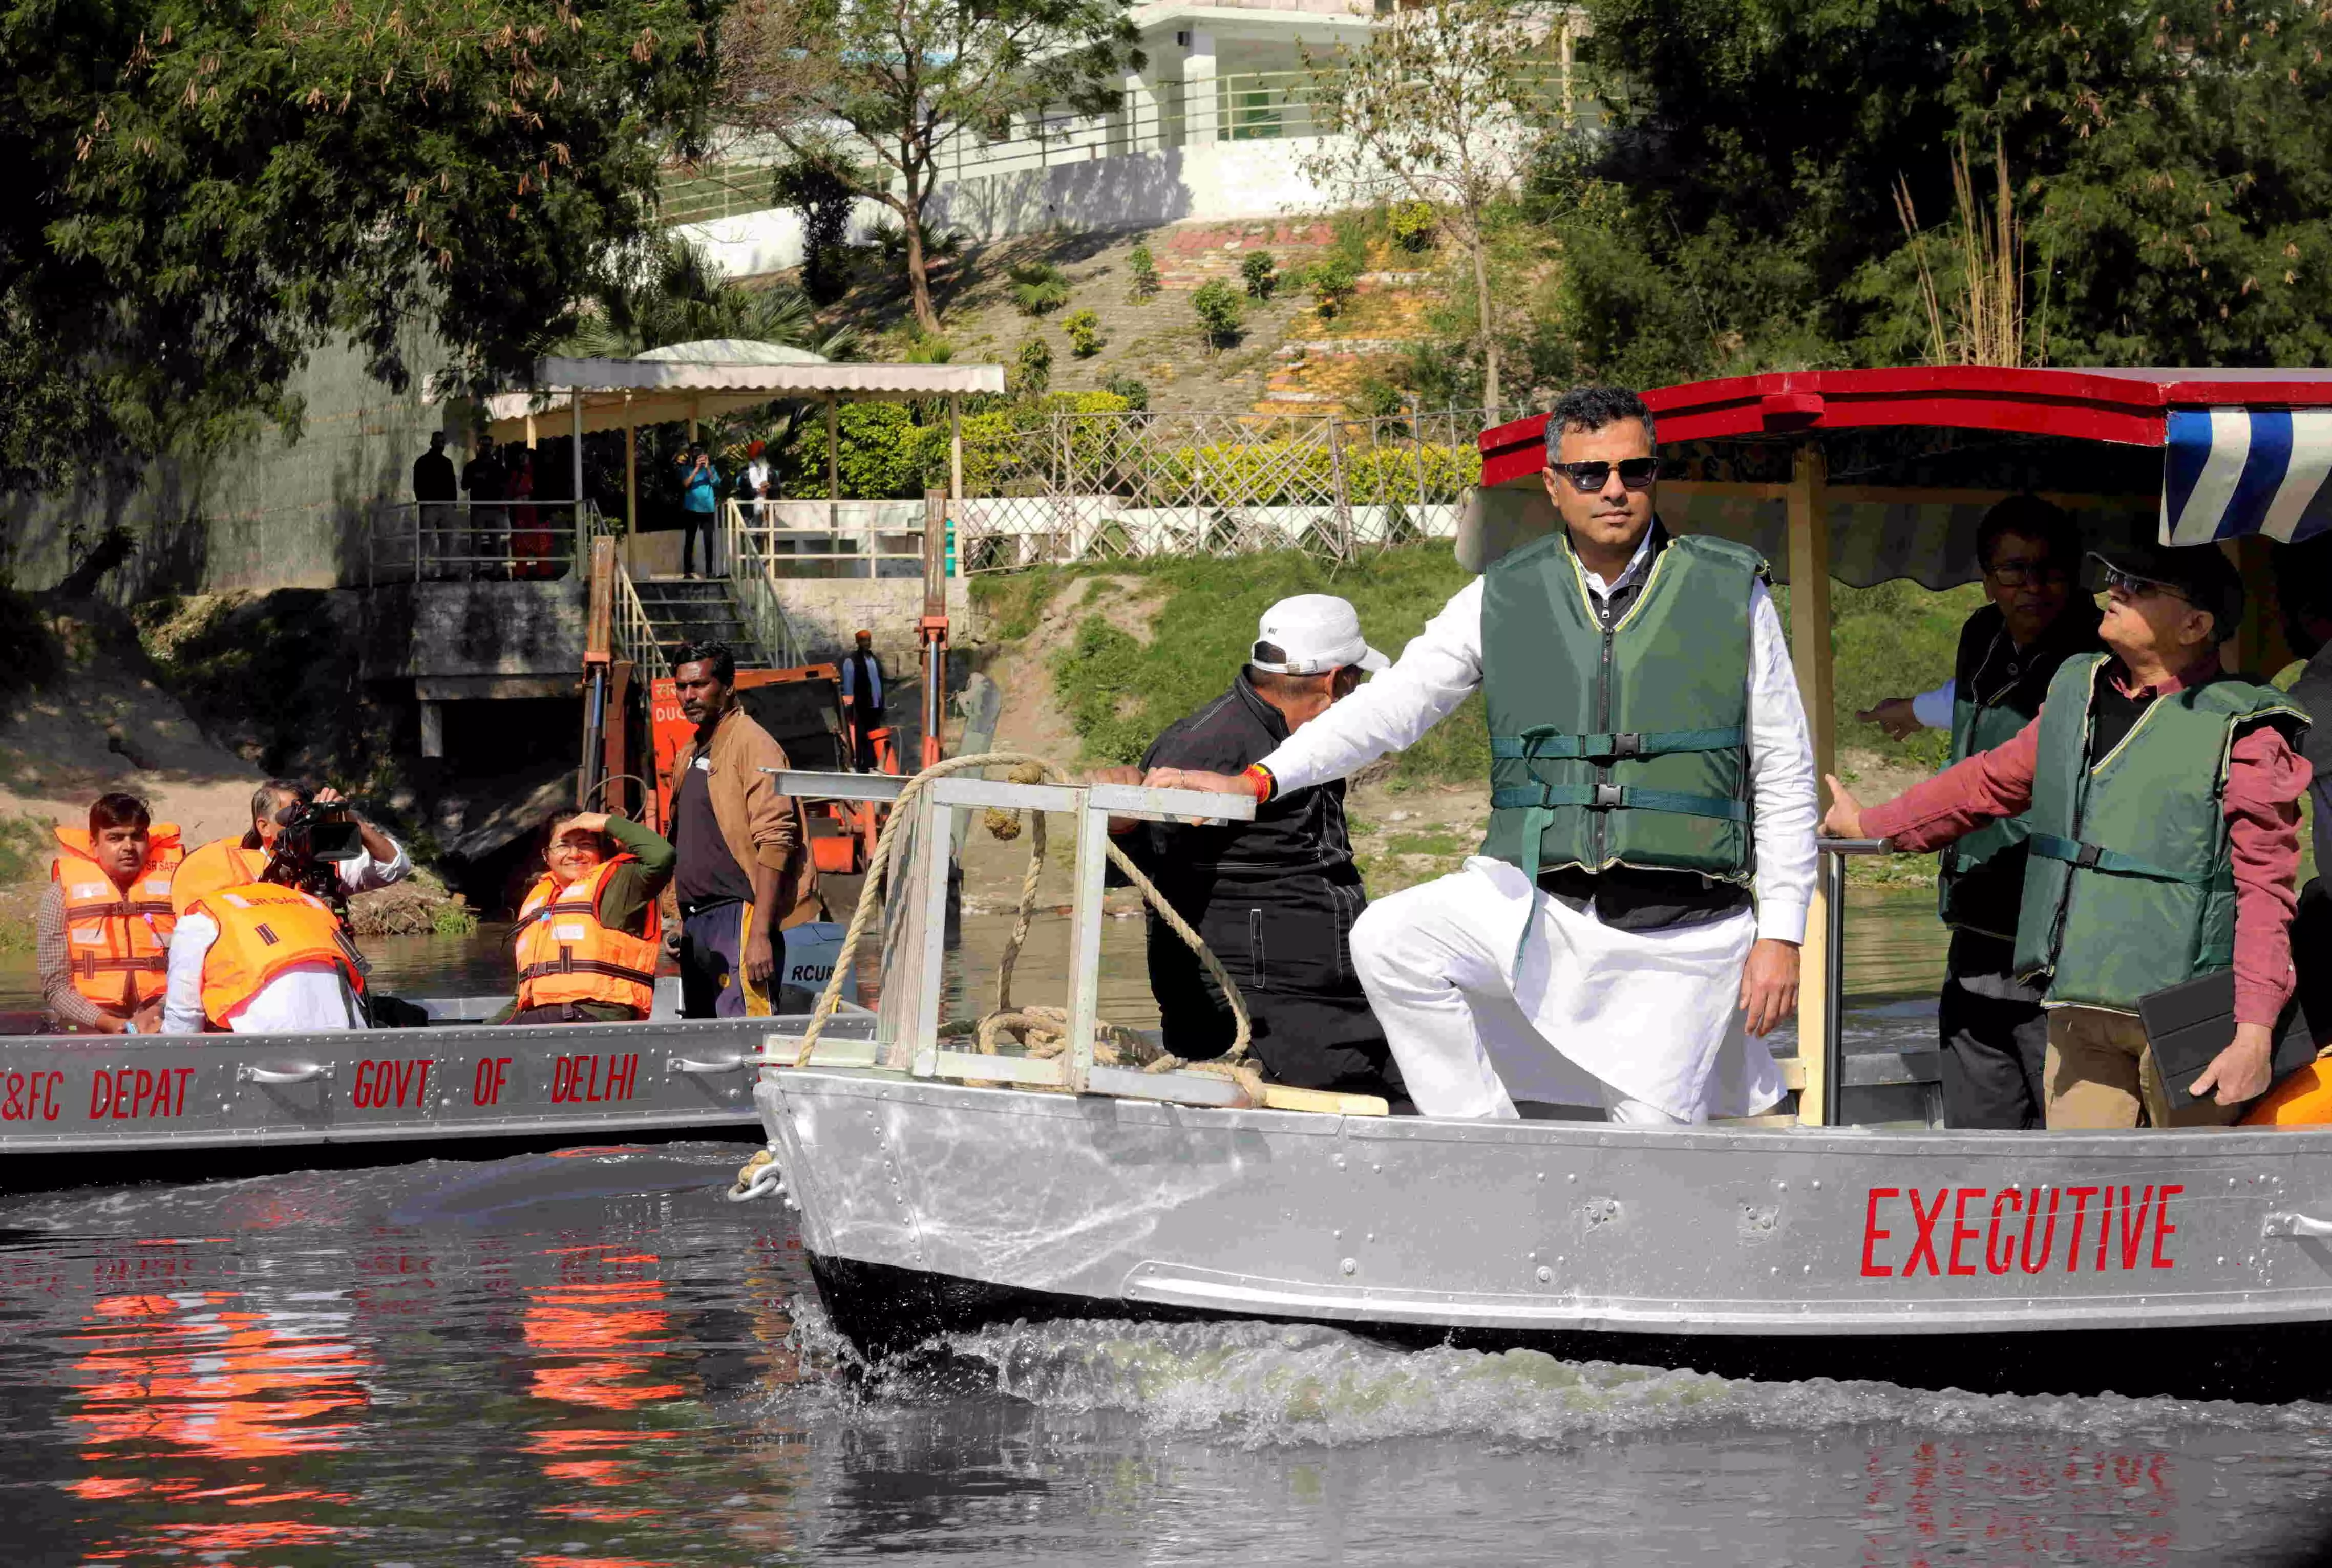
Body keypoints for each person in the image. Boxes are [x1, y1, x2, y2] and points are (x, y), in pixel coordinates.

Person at [1149, 386, 1818, 1125]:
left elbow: (1785, 774)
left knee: (1649, 1147)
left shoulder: (1731, 593)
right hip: (1535, 907)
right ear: (1553, 483)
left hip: (1679, 935)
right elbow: (1391, 706)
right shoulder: (1498, 595)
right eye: (1591, 473)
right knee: (1391, 938)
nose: (1616, 489)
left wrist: (1781, 934)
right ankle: (1486, 1139)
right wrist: (1260, 776)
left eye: (1635, 469)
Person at [1825, 544, 2312, 1129]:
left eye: (2141, 586)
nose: (2116, 591)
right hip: (2077, 1005)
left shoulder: (2248, 731)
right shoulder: (2075, 693)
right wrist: (1871, 828)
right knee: (2085, 1200)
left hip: (2190, 1018)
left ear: (2196, 625)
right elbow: (1987, 783)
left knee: (2185, 1201)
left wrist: (2255, 1034)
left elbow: (2267, 895)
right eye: (2116, 578)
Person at [1853, 497, 2105, 1129]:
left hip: (2061, 937)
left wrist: (1876, 824)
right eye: (2014, 571)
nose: (2033, 586)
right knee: (1980, 1137)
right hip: (1976, 920)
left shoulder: (2099, 655)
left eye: (2049, 569)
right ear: (1988, 579)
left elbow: (2005, 780)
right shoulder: (1980, 634)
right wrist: (1909, 710)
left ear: (2075, 573)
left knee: (2068, 1139)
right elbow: (1965, 704)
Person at [1100, 596, 1400, 1096]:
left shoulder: (1311, 737)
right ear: (1335, 681)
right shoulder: (1208, 747)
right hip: (1262, 1017)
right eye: (1357, 680)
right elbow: (1133, 874)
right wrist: (1121, 824)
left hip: (1333, 1001)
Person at [665, 641, 819, 1017]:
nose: (689, 696)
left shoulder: (754, 743)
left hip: (740, 917)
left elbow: (776, 839)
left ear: (729, 685)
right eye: (682, 687)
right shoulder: (692, 751)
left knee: (745, 1044)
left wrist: (760, 934)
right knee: (705, 1049)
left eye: (699, 684)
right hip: (697, 924)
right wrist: (677, 922)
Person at [493, 810, 675, 1024]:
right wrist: (480, 1035)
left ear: (600, 851)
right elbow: (520, 1000)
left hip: (597, 1015)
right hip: (546, 1017)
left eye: (585, 844)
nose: (574, 854)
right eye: (563, 845)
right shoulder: (539, 902)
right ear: (547, 856)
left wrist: (606, 822)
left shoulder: (620, 884)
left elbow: (662, 855)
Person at [38, 793, 182, 1034]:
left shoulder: (180, 886)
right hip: (93, 1023)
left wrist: (159, 1010)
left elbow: (201, 971)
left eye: (137, 837)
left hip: (165, 1015)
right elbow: (56, 986)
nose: (128, 847)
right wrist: (111, 1024)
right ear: (94, 844)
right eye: (115, 838)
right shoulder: (59, 895)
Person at [173, 781, 412, 916]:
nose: (302, 828)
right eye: (292, 819)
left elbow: (396, 866)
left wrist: (351, 820)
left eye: (306, 818)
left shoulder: (326, 863)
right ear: (264, 827)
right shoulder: (235, 870)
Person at [162, 879, 367, 1034]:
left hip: (267, 1052)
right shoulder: (310, 904)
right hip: (352, 1036)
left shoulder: (199, 920)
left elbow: (184, 1019)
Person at [413, 431, 457, 581]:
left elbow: (452, 485)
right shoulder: (423, 462)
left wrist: (453, 505)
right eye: (439, 441)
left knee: (445, 541)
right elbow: (417, 485)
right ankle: (422, 572)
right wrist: (423, 503)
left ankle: (445, 571)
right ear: (432, 442)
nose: (441, 444)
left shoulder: (446, 463)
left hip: (443, 507)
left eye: (443, 442)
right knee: (426, 541)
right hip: (430, 506)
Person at [839, 629, 885, 772]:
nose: (867, 643)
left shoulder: (874, 659)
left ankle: (872, 764)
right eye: (864, 640)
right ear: (858, 642)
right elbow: (848, 685)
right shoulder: (852, 661)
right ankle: (862, 767)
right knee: (861, 738)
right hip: (861, 706)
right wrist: (849, 706)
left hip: (875, 705)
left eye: (869, 640)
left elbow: (878, 682)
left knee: (874, 736)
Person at [462, 436, 507, 580]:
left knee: (490, 541)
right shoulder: (476, 466)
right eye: (484, 445)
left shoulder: (496, 467)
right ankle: (484, 571)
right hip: (482, 509)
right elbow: (465, 485)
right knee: (482, 541)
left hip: (490, 509)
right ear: (479, 447)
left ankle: (491, 571)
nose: (486, 448)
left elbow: (504, 487)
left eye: (487, 445)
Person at [676, 443, 722, 578]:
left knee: (709, 540)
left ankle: (709, 571)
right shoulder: (686, 469)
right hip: (691, 509)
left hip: (708, 509)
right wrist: (696, 469)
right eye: (695, 453)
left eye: (700, 453)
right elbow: (685, 484)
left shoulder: (711, 468)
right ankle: (687, 571)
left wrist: (707, 468)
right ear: (691, 454)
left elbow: (717, 483)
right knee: (690, 540)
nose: (698, 455)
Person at [740, 439, 776, 519]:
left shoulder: (771, 471)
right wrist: (758, 491)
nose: (761, 457)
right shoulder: (744, 472)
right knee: (750, 531)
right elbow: (742, 490)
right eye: (759, 455)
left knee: (768, 531)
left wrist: (769, 488)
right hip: (749, 511)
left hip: (767, 512)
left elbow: (777, 488)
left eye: (762, 455)